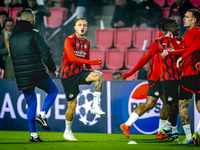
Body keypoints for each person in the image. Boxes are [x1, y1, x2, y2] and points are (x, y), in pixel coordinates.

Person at [120, 19, 176, 140]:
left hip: (166, 78)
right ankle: (127, 124)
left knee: (168, 103)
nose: (175, 28)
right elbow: (145, 58)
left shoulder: (174, 41)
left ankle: (161, 132)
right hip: (157, 78)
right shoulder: (158, 41)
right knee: (150, 103)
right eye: (172, 26)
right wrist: (130, 73)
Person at [9, 9, 58, 142]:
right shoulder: (34, 33)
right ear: (31, 19)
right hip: (37, 72)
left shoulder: (12, 37)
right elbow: (46, 53)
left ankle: (33, 135)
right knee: (53, 90)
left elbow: (13, 57)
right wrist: (52, 69)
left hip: (22, 76)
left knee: (31, 103)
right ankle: (42, 114)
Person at [60, 17, 105, 141]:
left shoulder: (87, 42)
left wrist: (92, 71)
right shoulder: (69, 40)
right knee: (72, 105)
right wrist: (92, 62)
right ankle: (67, 132)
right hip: (68, 75)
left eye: (84, 25)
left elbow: (88, 63)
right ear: (75, 27)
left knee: (99, 75)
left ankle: (95, 106)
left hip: (80, 72)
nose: (82, 27)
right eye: (79, 25)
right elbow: (72, 58)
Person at [161, 8, 200, 145]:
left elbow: (187, 50)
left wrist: (173, 54)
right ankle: (198, 132)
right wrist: (172, 42)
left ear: (194, 20)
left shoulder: (191, 32)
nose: (184, 18)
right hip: (198, 73)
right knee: (199, 106)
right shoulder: (198, 32)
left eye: (187, 17)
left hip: (189, 74)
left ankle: (189, 136)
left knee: (182, 105)